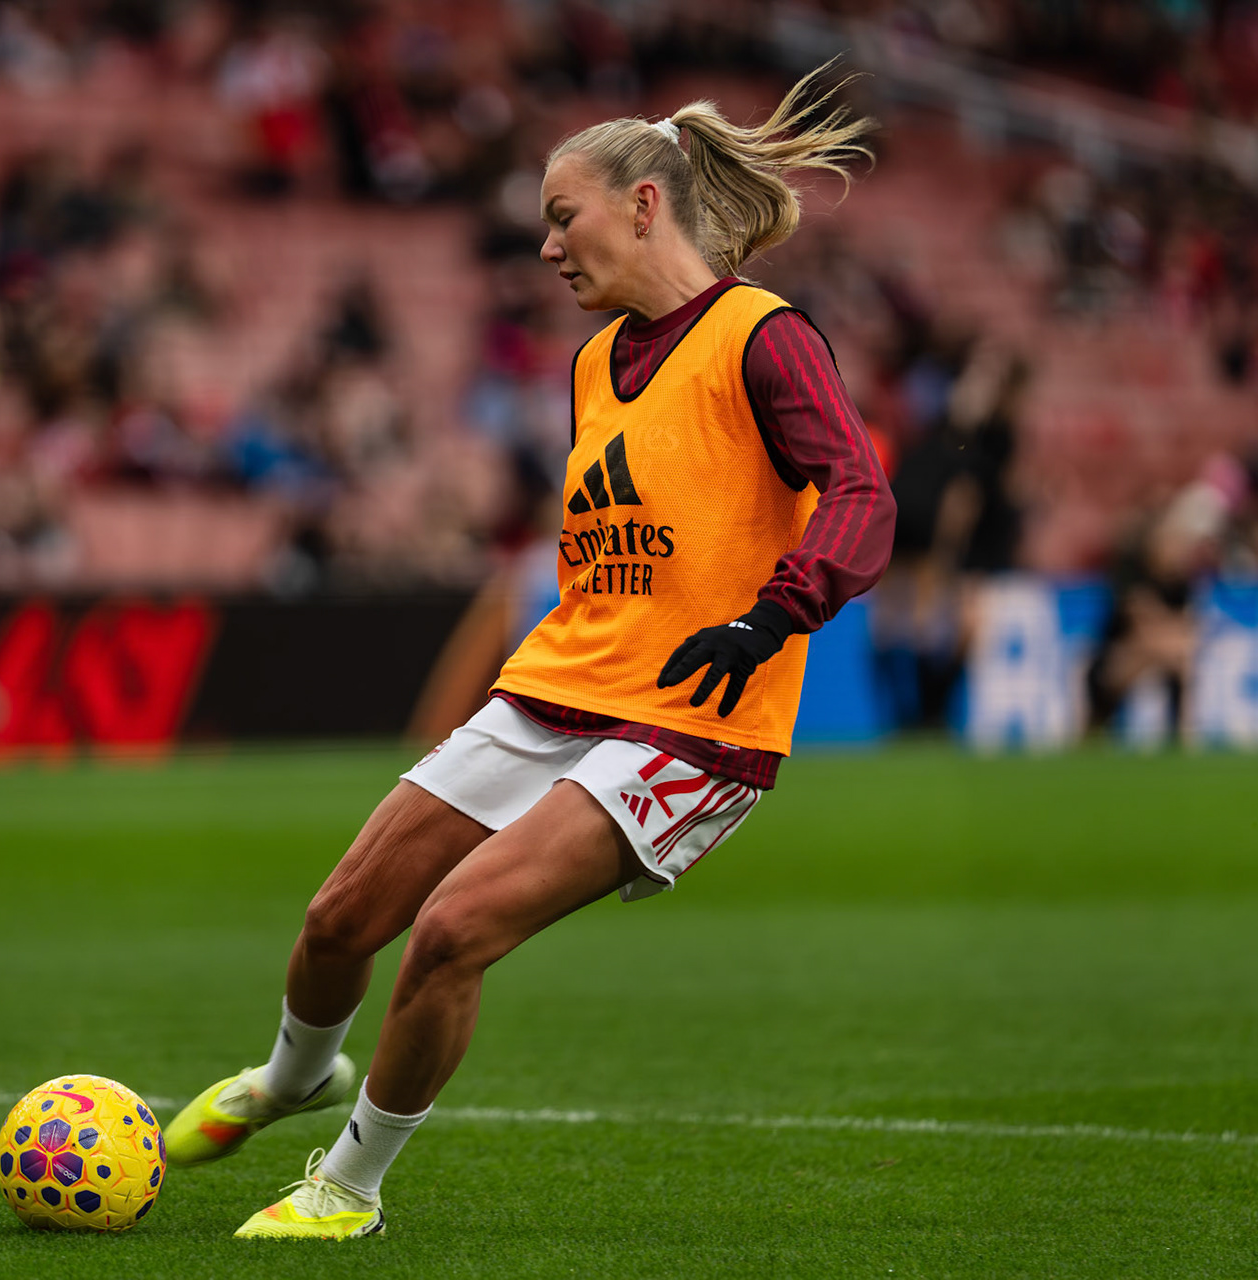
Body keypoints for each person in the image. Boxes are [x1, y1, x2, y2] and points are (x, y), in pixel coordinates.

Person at [166, 64, 899, 1239]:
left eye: (565, 217)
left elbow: (861, 490)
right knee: (340, 916)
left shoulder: (765, 336)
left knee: (455, 928)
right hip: (560, 684)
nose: (550, 248)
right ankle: (295, 1069)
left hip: (694, 720)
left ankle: (347, 1189)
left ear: (647, 204)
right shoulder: (591, 364)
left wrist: (777, 612)